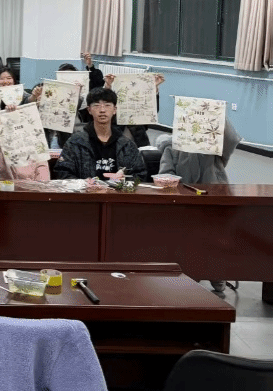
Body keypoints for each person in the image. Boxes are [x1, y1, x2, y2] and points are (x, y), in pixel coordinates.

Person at [158, 118, 242, 295]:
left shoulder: (212, 145)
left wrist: (218, 115)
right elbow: (165, 174)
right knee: (189, 240)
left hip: (214, 200)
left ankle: (216, 275)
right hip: (185, 204)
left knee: (215, 238)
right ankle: (192, 274)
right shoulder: (171, 147)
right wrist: (173, 183)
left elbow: (231, 138)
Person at [54, 88, 147, 181]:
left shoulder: (127, 145)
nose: (102, 110)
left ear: (115, 110)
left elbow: (140, 174)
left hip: (117, 190)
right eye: (96, 105)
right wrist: (83, 183)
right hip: (87, 190)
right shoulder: (75, 142)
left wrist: (123, 180)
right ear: (89, 110)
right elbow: (62, 172)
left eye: (107, 105)